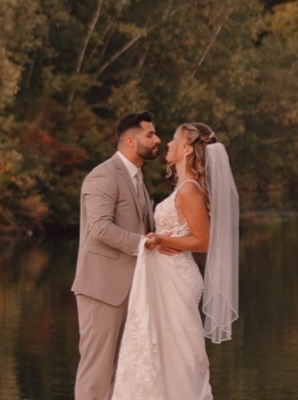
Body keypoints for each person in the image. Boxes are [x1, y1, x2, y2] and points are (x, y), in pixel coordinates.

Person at [109, 122, 241, 400]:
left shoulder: (189, 190)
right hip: (167, 277)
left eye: (174, 140)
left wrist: (164, 240)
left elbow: (204, 241)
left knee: (180, 355)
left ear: (188, 149)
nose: (167, 144)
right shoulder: (182, 187)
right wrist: (160, 240)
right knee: (165, 354)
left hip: (178, 278)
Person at [71, 110, 160, 400]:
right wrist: (143, 244)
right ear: (131, 142)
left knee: (122, 375)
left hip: (133, 290)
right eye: (150, 134)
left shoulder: (137, 178)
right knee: (96, 374)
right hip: (103, 289)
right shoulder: (102, 175)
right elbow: (99, 228)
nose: (158, 139)